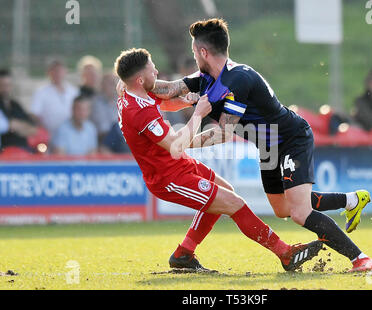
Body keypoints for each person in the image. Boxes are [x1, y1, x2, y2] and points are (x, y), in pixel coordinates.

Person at [152, 18, 372, 273]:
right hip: (267, 147)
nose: (194, 57)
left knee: (299, 212)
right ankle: (351, 200)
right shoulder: (206, 77)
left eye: (194, 52)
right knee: (282, 209)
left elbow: (224, 133)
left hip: (291, 138)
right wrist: (132, 86)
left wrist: (180, 144)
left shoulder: (238, 80)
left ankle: (362, 260)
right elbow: (169, 90)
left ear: (204, 52)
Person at [114, 48, 323, 272]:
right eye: (151, 68)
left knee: (225, 190)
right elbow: (176, 145)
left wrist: (186, 102)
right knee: (234, 203)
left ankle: (184, 254)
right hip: (168, 177)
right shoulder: (138, 112)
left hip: (179, 165)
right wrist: (198, 113)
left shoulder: (130, 91)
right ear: (139, 79)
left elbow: (161, 101)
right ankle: (285, 253)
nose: (156, 70)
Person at [30, 59, 79, 138]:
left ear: (65, 72)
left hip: (71, 135)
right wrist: (43, 131)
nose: (58, 74)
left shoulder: (74, 91)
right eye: (55, 71)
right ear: (49, 73)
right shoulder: (41, 92)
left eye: (60, 71)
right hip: (50, 136)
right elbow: (35, 114)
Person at [0, 69, 38, 152]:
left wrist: (15, 127)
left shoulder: (16, 105)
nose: (5, 88)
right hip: (4, 152)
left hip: (23, 152)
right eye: (2, 85)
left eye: (8, 85)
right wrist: (18, 126)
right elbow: (7, 125)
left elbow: (33, 129)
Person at [91, 72, 119, 141]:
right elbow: (102, 128)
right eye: (111, 83)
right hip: (103, 138)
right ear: (102, 85)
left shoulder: (120, 101)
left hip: (119, 138)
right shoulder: (95, 102)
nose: (114, 85)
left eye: (115, 83)